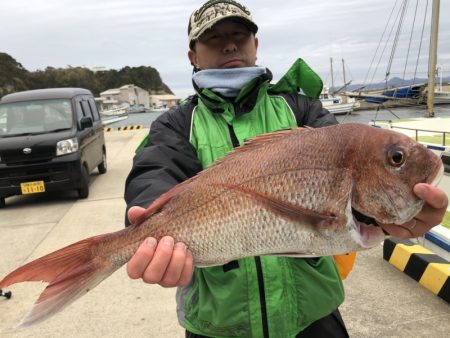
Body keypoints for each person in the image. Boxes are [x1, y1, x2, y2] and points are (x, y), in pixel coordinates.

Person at [124, 1, 448, 337]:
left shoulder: (301, 109)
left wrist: (391, 216)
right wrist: (147, 227)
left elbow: (348, 189)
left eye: (240, 34)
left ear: (256, 44)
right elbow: (153, 176)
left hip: (314, 319)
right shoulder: (176, 125)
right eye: (213, 37)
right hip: (217, 326)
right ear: (192, 55)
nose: (230, 44)